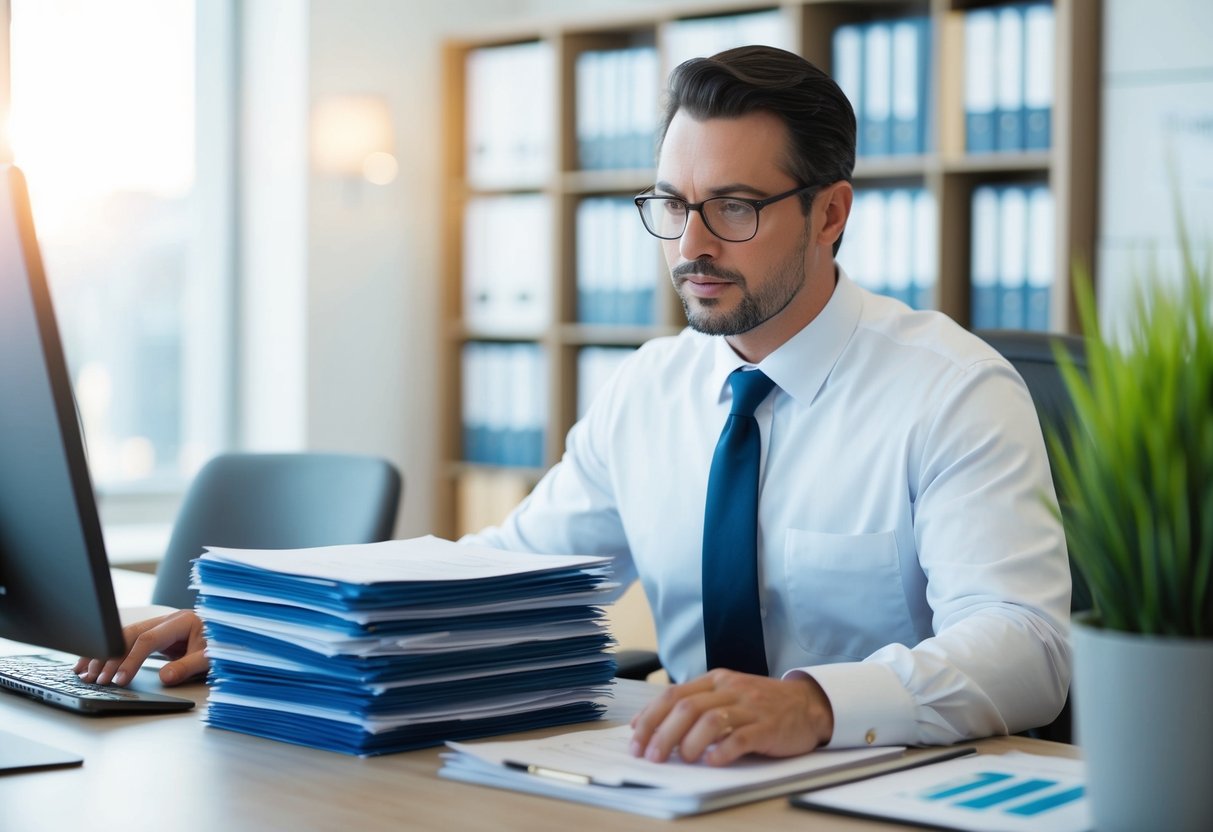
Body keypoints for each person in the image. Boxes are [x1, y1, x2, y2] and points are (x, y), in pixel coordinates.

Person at [77, 45, 1071, 768]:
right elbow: (506, 574)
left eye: (733, 207)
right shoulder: (653, 389)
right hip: (683, 783)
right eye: (672, 205)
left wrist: (814, 703)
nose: (690, 245)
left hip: (885, 784)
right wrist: (259, 630)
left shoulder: (950, 391)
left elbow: (1025, 647)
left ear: (830, 213)